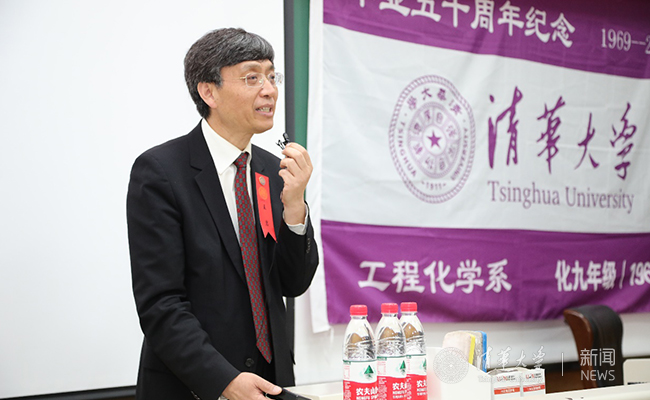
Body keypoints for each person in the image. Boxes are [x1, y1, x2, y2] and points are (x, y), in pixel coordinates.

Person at [127, 28, 319, 400]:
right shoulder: (161, 172)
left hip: (270, 381)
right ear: (208, 92)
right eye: (252, 78)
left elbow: (292, 284)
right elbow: (161, 304)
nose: (269, 90)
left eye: (271, 76)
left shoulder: (271, 170)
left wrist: (295, 206)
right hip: (195, 387)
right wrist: (224, 381)